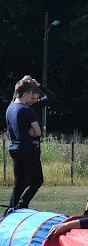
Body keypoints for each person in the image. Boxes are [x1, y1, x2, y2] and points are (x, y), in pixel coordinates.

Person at [5, 80, 43, 211]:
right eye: (30, 95)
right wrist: (32, 133)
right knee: (37, 180)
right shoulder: (26, 110)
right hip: (27, 149)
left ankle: (12, 209)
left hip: (13, 148)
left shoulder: (9, 108)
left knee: (18, 183)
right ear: (25, 94)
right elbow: (38, 132)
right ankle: (22, 205)